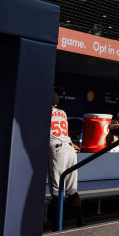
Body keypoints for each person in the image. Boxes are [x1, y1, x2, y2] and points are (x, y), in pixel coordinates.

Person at [48, 92, 82, 228]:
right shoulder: (62, 112)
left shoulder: (42, 111)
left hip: (58, 152)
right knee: (72, 191)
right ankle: (80, 223)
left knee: (57, 193)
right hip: (70, 150)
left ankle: (57, 227)